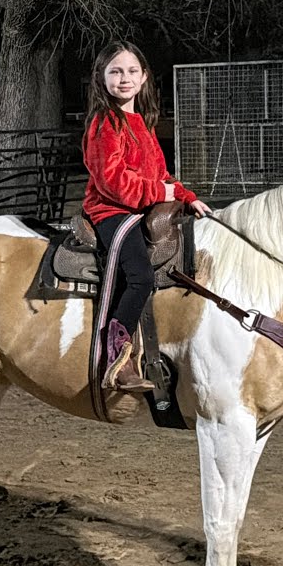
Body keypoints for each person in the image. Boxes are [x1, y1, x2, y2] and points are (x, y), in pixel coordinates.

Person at [81, 41, 212, 392]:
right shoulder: (103, 123)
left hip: (141, 208)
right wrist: (160, 194)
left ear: (143, 80)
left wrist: (186, 197)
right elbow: (113, 182)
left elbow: (161, 175)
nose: (124, 78)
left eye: (131, 71)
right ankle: (116, 358)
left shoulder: (142, 123)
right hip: (111, 211)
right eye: (115, 71)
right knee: (139, 276)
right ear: (102, 79)